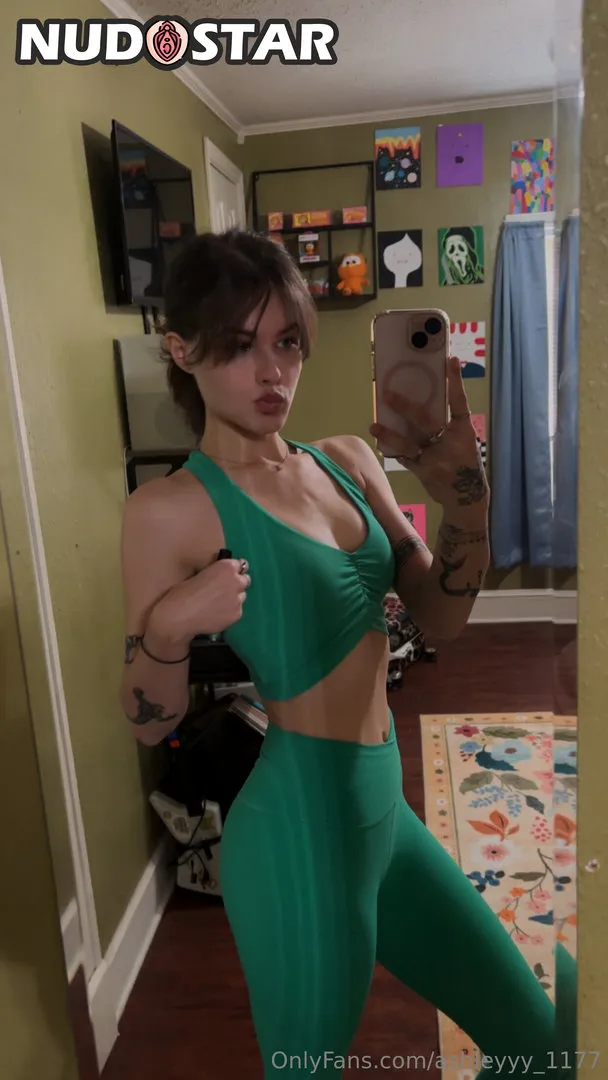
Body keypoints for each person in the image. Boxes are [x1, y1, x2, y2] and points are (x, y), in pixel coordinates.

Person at [119, 229, 559, 1078]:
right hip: (299, 835)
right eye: (239, 346)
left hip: (383, 811)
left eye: (287, 342)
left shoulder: (348, 460)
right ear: (182, 350)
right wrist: (169, 631)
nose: (272, 371)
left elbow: (439, 618)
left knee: (541, 1039)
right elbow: (149, 722)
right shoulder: (168, 511)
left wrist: (467, 505)